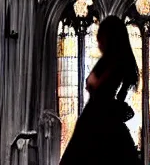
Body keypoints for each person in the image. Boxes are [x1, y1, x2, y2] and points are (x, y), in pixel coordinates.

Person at [59, 16, 141, 165]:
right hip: (99, 117)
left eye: (101, 37)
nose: (98, 42)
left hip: (98, 119)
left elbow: (96, 85)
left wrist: (93, 83)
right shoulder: (113, 61)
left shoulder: (114, 61)